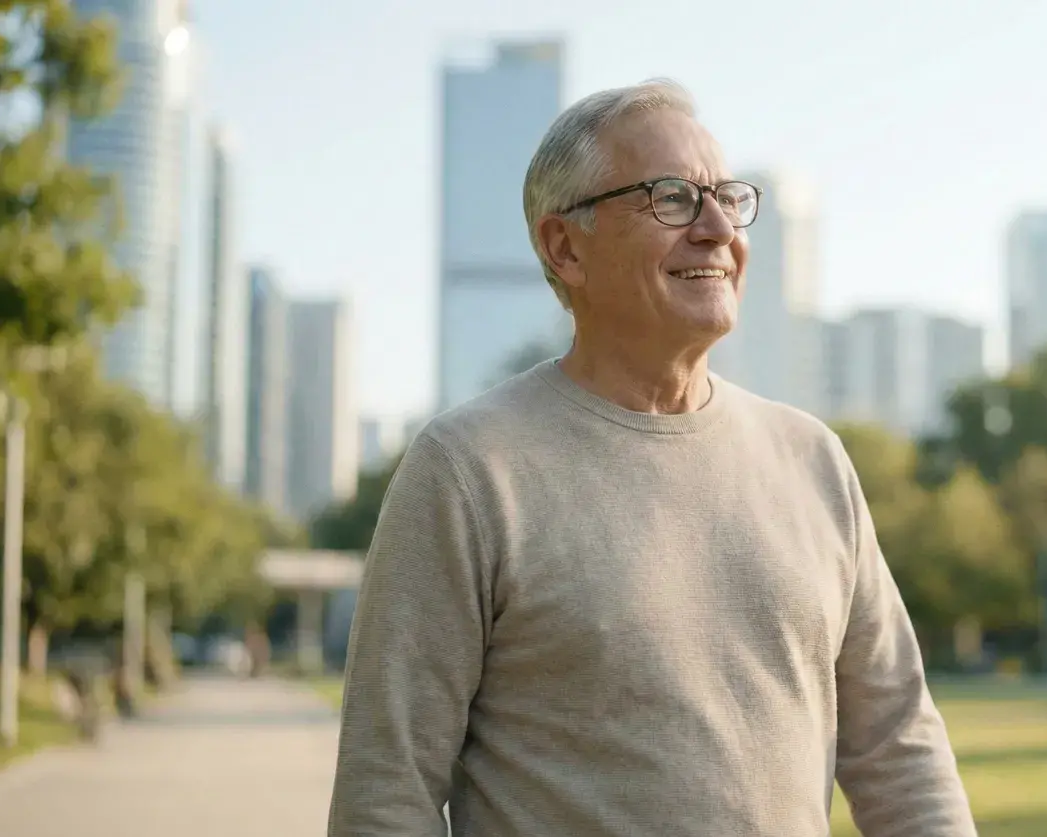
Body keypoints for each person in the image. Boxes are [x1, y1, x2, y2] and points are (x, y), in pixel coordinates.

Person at [327, 79, 974, 837]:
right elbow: (386, 789)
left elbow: (900, 747)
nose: (715, 228)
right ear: (564, 246)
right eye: (671, 198)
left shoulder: (813, 460)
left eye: (728, 198)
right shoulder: (469, 468)